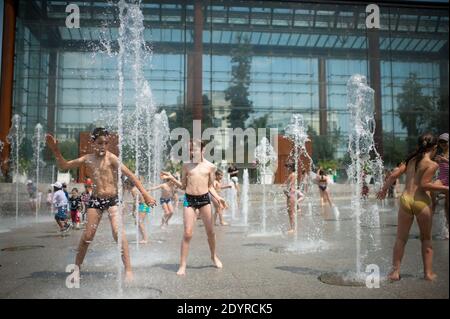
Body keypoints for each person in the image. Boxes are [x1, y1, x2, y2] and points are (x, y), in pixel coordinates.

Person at [46, 127, 157, 283]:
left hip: (113, 200)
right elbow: (64, 166)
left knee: (118, 233)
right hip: (96, 201)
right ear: (93, 143)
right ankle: (76, 270)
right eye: (100, 143)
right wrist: (56, 150)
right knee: (87, 236)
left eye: (106, 143)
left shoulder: (111, 158)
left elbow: (131, 175)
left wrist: (145, 194)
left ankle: (128, 270)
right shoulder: (87, 159)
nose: (103, 146)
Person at [377, 133, 449, 281]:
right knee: (426, 239)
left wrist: (384, 189)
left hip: (405, 200)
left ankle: (395, 272)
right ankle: (428, 273)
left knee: (401, 239)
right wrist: (446, 188)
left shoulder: (411, 159)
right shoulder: (432, 164)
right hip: (421, 202)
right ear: (435, 147)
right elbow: (424, 185)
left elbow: (393, 175)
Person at [161, 139, 226, 276]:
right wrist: (172, 178)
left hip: (204, 200)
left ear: (203, 150)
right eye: (190, 149)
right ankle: (182, 265)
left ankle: (213, 256)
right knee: (187, 233)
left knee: (211, 232)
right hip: (189, 200)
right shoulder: (186, 166)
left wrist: (218, 198)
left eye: (194, 149)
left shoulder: (210, 167)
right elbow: (183, 186)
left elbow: (210, 186)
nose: (191, 152)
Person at [124, 177, 149, 244]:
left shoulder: (133, 190)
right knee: (138, 222)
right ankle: (143, 237)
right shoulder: (135, 189)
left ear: (128, 184)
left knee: (139, 222)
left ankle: (145, 238)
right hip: (143, 206)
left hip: (143, 206)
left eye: (125, 185)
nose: (125, 186)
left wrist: (133, 210)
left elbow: (136, 201)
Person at [284, 162, 305, 234]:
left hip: (291, 194)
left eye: (287, 167)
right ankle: (292, 228)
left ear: (291, 168)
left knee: (291, 211)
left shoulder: (293, 175)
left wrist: (287, 190)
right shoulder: (291, 175)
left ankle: (293, 228)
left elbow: (290, 185)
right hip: (289, 194)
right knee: (289, 211)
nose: (286, 169)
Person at [435, 133, 449, 235]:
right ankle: (434, 204)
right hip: (442, 178)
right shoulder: (442, 153)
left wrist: (445, 160)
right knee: (431, 189)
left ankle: (447, 228)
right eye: (441, 142)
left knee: (447, 205)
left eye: (445, 141)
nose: (442, 144)